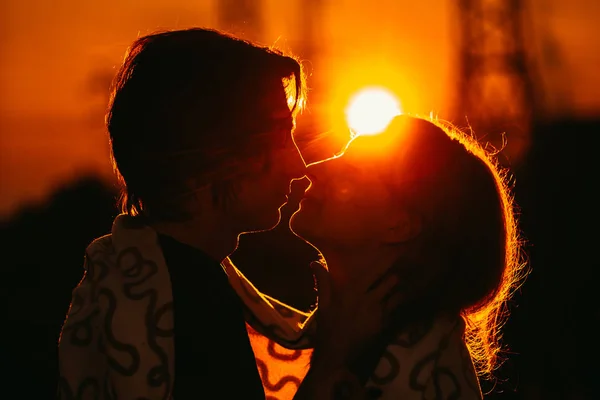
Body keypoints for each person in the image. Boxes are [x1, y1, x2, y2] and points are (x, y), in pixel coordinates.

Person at [57, 28, 403, 400]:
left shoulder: (141, 282)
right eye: (277, 136)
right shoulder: (190, 299)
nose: (298, 165)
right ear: (214, 153)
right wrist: (332, 360)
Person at [286, 115, 527, 398]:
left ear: (398, 226)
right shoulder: (334, 338)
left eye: (349, 171)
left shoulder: (409, 373)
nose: (312, 168)